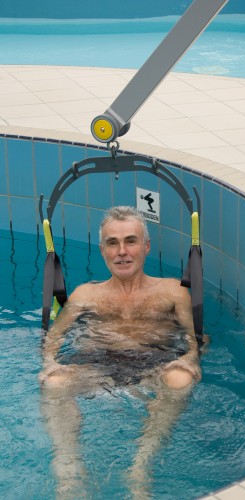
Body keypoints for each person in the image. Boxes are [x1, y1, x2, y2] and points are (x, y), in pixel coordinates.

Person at [40, 206, 202, 498]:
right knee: (54, 383)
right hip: (97, 366)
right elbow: (53, 338)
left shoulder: (173, 291)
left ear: (146, 246)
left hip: (153, 364)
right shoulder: (85, 295)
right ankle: (69, 468)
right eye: (112, 243)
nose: (122, 252)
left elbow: (195, 339)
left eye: (130, 241)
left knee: (181, 379)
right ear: (102, 250)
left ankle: (141, 466)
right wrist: (50, 363)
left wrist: (191, 358)